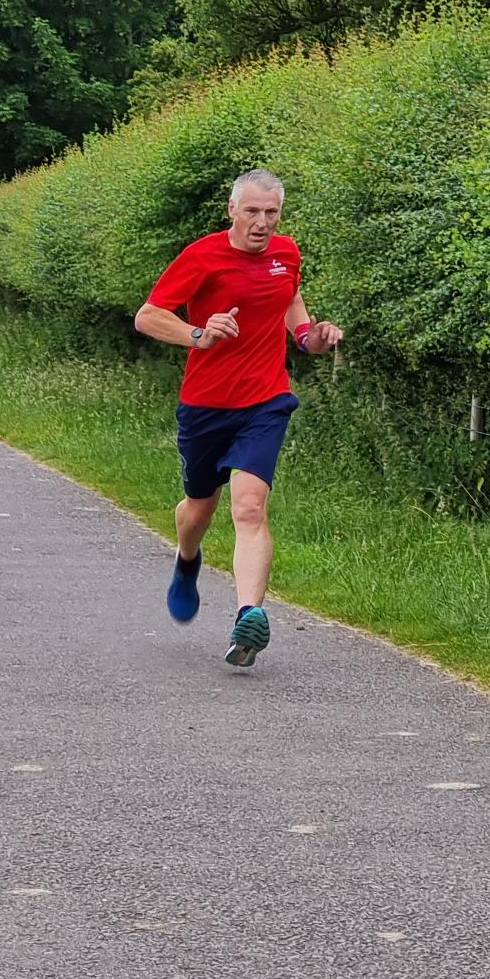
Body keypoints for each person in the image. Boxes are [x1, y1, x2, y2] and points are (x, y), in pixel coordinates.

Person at [132, 169, 343, 668]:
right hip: (205, 405)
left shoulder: (286, 254)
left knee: (249, 507)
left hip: (266, 400)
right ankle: (187, 562)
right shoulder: (202, 256)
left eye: (271, 213)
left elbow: (291, 303)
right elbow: (147, 315)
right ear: (232, 210)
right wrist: (198, 333)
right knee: (198, 510)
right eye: (252, 211)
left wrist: (310, 337)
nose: (262, 222)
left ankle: (250, 617)